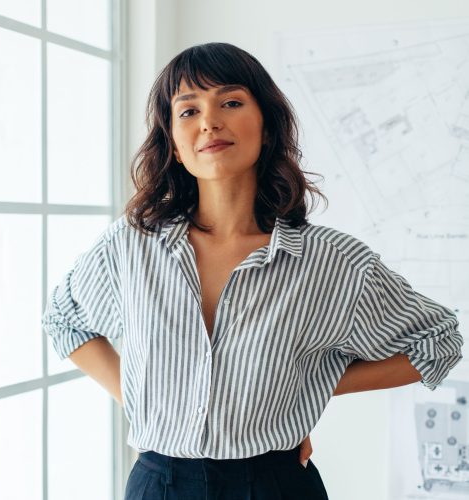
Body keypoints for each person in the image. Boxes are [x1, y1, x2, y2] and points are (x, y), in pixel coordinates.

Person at [41, 42, 464, 499]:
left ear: (267, 127)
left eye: (231, 102)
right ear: (176, 147)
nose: (209, 121)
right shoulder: (130, 246)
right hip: (157, 484)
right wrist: (145, 398)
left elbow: (438, 343)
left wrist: (303, 391)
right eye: (188, 111)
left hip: (274, 484)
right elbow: (65, 321)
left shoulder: (331, 262)